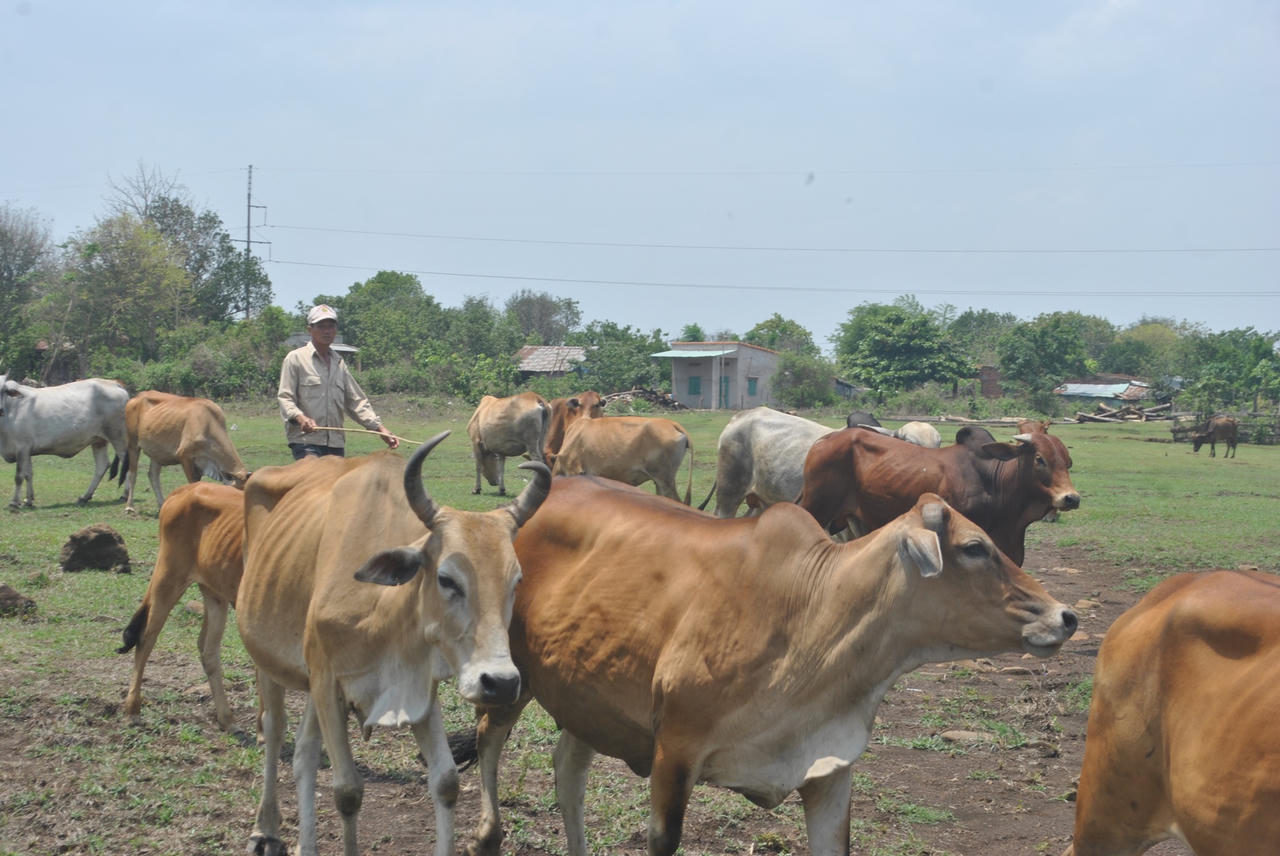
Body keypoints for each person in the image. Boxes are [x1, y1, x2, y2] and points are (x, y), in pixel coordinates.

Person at [277, 304, 400, 459]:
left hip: (335, 443)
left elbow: (356, 402)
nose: (327, 331)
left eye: (331, 326)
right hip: (306, 441)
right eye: (321, 326)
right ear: (310, 330)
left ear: (336, 330)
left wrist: (380, 429)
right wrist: (301, 417)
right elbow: (285, 398)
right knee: (316, 474)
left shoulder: (339, 363)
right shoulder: (295, 358)